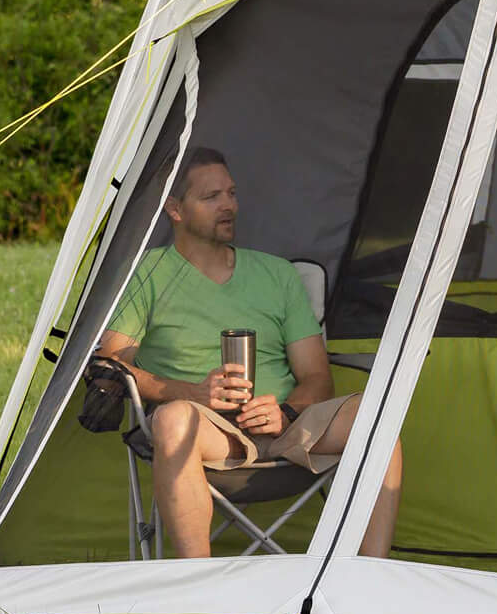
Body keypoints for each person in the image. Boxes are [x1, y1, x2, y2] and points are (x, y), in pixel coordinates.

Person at [98, 146, 403, 558]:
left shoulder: (277, 274)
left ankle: (366, 584)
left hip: (285, 429)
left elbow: (316, 376)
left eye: (232, 193)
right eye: (211, 197)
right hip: (206, 434)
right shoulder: (148, 274)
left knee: (378, 417)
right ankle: (198, 597)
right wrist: (190, 394)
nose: (229, 206)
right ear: (175, 209)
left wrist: (287, 413)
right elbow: (111, 364)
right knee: (171, 422)